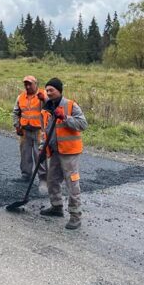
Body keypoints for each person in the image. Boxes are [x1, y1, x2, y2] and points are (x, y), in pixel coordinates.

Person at [39, 78, 88, 230]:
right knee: (52, 179)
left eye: (51, 90)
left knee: (72, 183)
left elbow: (83, 124)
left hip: (69, 152)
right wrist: (42, 148)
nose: (48, 93)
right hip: (55, 151)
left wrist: (65, 118)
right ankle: (56, 207)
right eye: (47, 90)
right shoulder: (47, 108)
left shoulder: (71, 105)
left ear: (59, 91)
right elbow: (46, 131)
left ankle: (75, 216)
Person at [12, 75, 48, 193]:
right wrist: (17, 125)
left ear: (36, 84)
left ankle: (43, 179)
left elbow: (51, 107)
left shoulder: (43, 95)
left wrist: (44, 99)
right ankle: (25, 176)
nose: (27, 86)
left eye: (30, 84)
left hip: (39, 131)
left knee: (39, 155)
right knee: (25, 154)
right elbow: (16, 112)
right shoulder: (20, 97)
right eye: (25, 84)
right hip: (25, 131)